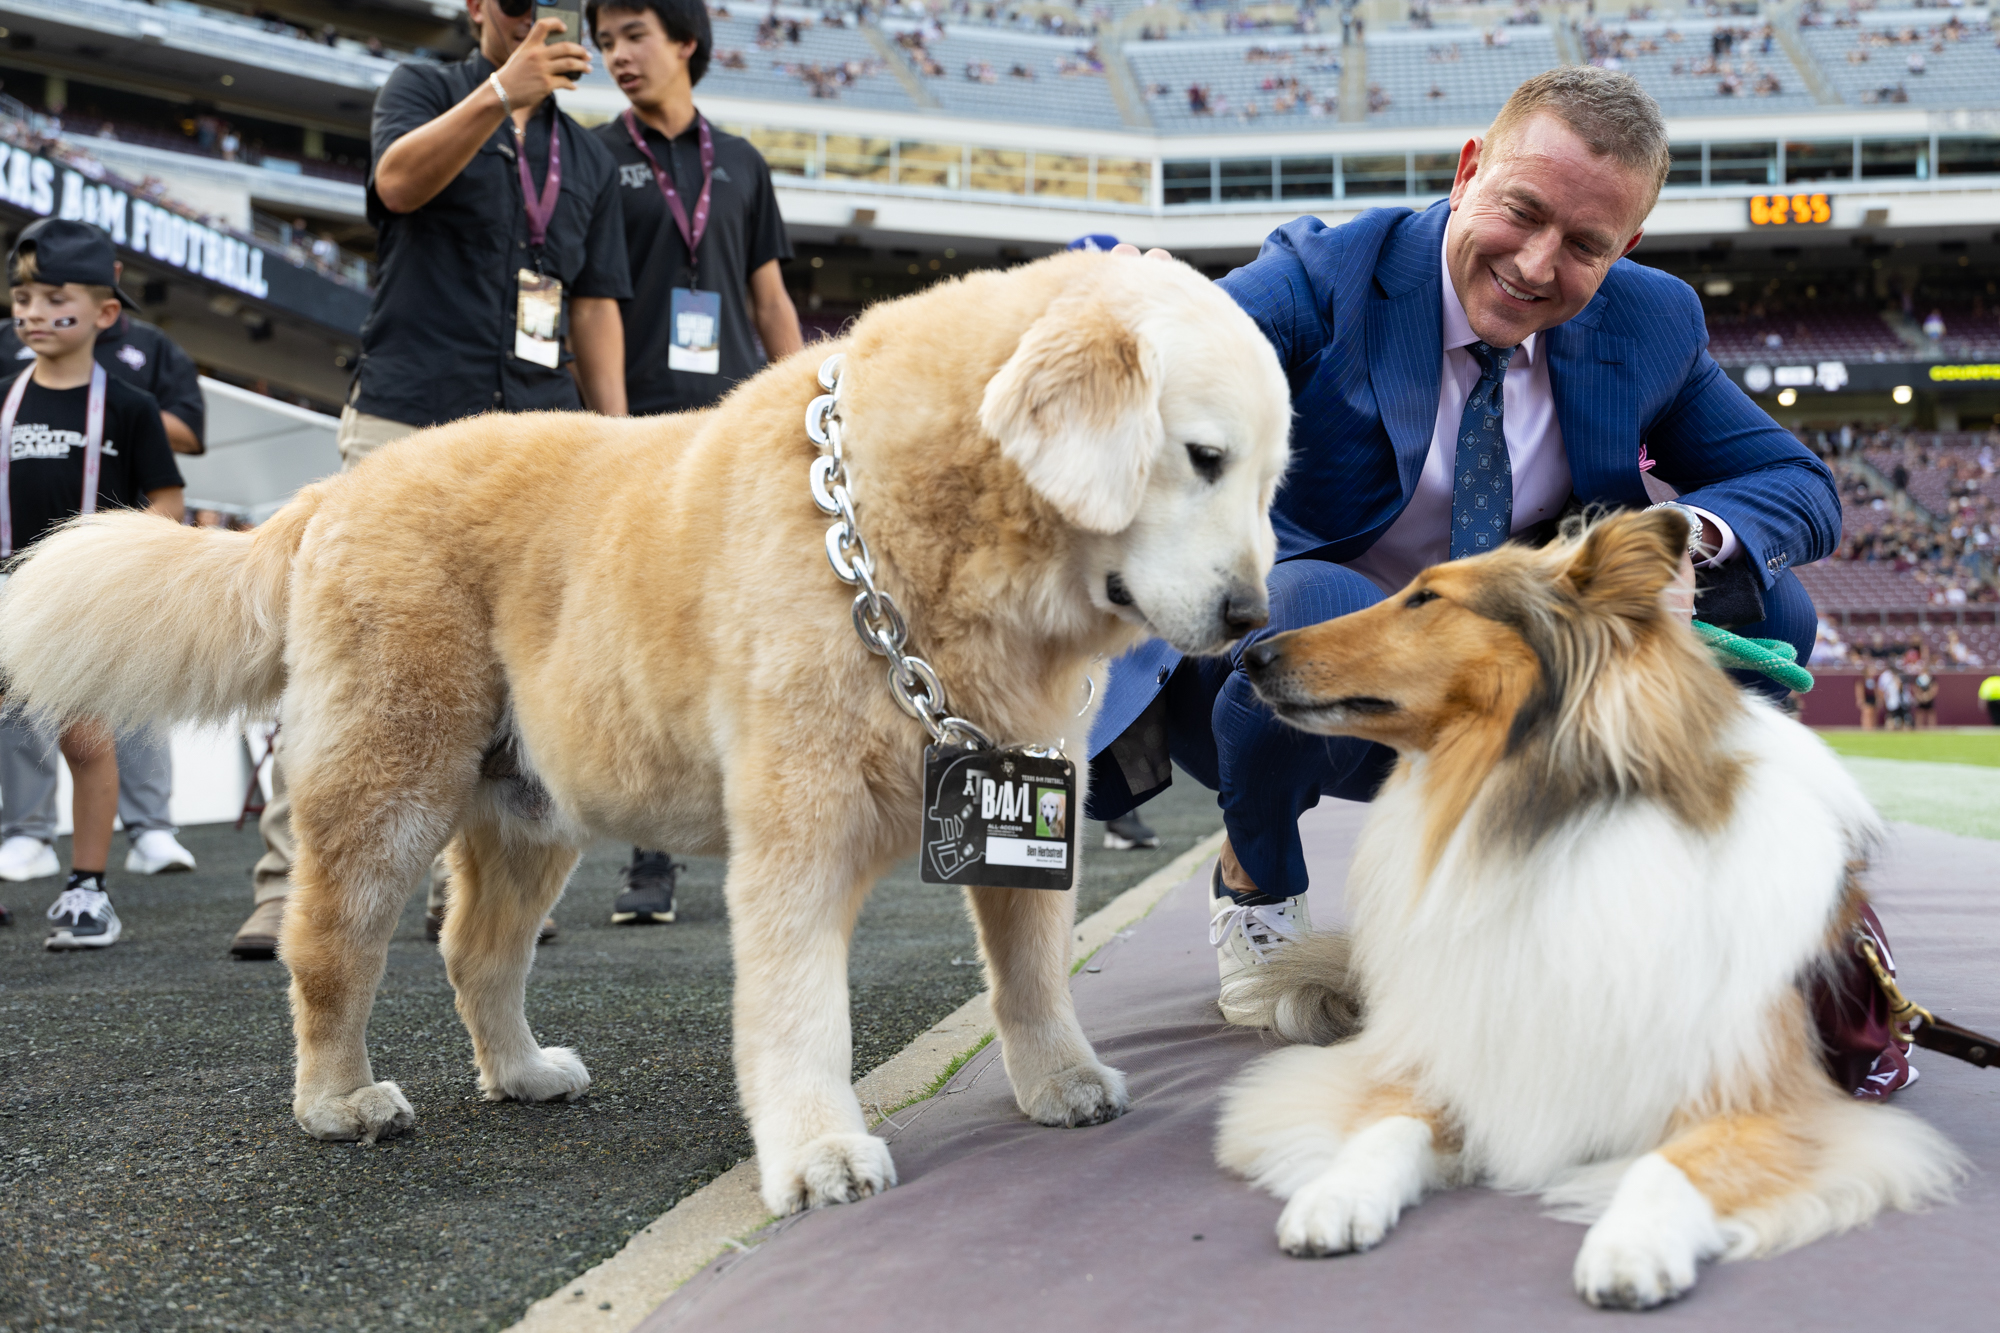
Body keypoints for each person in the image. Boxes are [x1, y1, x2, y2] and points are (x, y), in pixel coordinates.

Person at [1087, 67, 1840, 1023]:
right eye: (1522, 211)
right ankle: (1258, 884)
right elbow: (1201, 340)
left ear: (1626, 247)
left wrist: (1679, 540)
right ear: (1469, 169)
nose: (1534, 264)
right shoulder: (1332, 274)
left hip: (1497, 702)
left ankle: (1620, 888)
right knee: (1312, 596)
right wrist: (1152, 324)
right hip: (1274, 680)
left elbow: (1802, 487)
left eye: (1583, 245)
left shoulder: (1652, 323)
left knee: (1775, 608)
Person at [231, 0, 632, 958]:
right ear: (477, 10)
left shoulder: (586, 158)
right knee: (347, 663)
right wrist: (502, 94)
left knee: (518, 677)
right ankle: (290, 880)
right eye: (520, 6)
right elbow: (399, 184)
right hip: (409, 418)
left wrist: (618, 442)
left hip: (532, 450)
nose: (542, 22)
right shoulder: (427, 86)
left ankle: (475, 893)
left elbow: (596, 303)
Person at [589, 0, 802, 922]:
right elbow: (587, 299)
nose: (616, 57)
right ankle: (652, 856)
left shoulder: (743, 164)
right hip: (639, 431)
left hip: (739, 429)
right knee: (653, 635)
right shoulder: (594, 156)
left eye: (633, 36)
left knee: (748, 631)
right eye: (603, 44)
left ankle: (776, 828)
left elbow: (769, 298)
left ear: (685, 42)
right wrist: (614, 429)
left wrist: (805, 411)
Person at [0, 221, 205, 887]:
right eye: (21, 297)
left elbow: (167, 501)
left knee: (110, 722)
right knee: (18, 722)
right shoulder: (3, 393)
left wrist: (122, 567)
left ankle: (127, 849)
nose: (31, 312)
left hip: (94, 597)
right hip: (10, 591)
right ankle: (25, 834)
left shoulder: (134, 403)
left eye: (51, 297)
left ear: (105, 312)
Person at [1911, 664, 1937, 729]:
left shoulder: (1931, 678)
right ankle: (1919, 727)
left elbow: (1934, 688)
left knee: (1931, 713)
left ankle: (1932, 728)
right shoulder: (1918, 679)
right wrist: (1920, 696)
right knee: (1919, 713)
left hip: (1929, 698)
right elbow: (1915, 688)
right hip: (1921, 698)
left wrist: (1928, 695)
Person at [1856, 664, 1880, 731]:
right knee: (1866, 713)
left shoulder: (1873, 680)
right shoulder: (1863, 679)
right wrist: (1860, 699)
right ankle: (1865, 727)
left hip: (1872, 698)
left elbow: (1876, 690)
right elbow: (1859, 689)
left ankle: (1872, 728)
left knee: (1873, 714)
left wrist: (1878, 699)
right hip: (1866, 698)